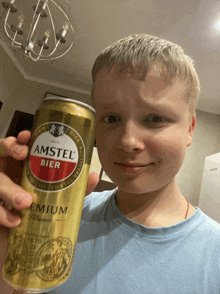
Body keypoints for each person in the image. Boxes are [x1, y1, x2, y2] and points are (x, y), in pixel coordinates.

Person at [0, 34, 220, 294]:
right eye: (111, 118)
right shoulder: (56, 220)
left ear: (190, 129)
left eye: (155, 118)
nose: (128, 141)